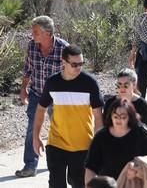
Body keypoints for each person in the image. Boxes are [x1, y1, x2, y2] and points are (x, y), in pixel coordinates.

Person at [33, 44, 104, 188]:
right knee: (56, 184)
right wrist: (36, 136)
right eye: (74, 64)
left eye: (81, 64)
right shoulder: (52, 83)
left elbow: (98, 116)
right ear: (63, 62)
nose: (78, 67)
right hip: (56, 144)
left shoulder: (90, 83)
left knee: (78, 184)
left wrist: (98, 144)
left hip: (83, 146)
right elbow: (41, 109)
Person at [16, 16, 68, 179]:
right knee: (32, 127)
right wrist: (24, 88)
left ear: (48, 33)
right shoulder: (32, 46)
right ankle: (30, 165)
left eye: (36, 32)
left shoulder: (63, 48)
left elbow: (73, 72)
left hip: (58, 97)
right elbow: (28, 68)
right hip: (37, 93)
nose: (32, 35)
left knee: (60, 129)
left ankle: (63, 161)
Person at [85, 99, 147, 183]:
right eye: (115, 116)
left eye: (123, 117)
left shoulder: (141, 133)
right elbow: (90, 167)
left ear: (130, 117)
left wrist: (138, 171)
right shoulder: (101, 136)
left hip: (135, 183)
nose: (119, 120)